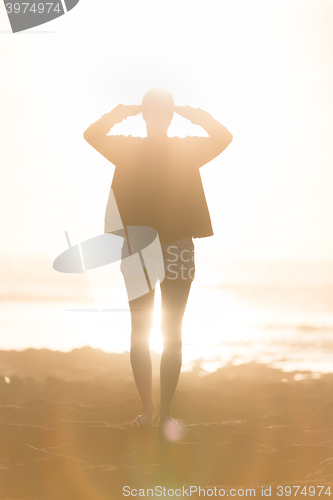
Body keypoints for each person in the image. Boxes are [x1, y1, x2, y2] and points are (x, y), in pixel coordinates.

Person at [83, 88, 233, 426]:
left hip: (139, 247)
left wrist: (123, 111)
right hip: (176, 246)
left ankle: (148, 409)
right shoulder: (185, 149)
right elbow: (224, 136)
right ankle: (164, 412)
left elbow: (92, 134)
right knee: (172, 332)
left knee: (141, 329)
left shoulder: (127, 148)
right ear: (168, 114)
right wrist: (191, 113)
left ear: (147, 114)